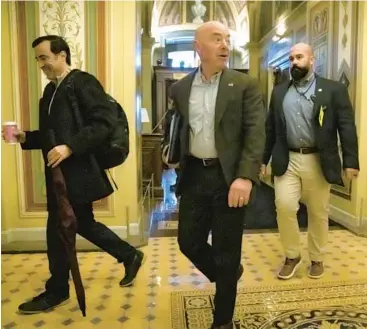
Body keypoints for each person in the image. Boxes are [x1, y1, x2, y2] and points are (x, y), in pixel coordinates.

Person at [1, 35, 145, 314]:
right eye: (37, 59)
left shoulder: (83, 82)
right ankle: (129, 254)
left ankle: (57, 290)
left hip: (79, 172)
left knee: (59, 230)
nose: (40, 64)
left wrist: (70, 147)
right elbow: (50, 136)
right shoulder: (49, 93)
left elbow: (104, 123)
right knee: (81, 223)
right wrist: (24, 137)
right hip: (59, 174)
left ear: (62, 55)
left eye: (44, 57)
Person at [162, 21, 266, 329]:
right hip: (195, 175)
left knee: (226, 250)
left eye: (227, 39)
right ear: (198, 46)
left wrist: (245, 176)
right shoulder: (179, 89)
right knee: (188, 241)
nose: (225, 45)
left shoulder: (244, 84)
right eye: (216, 39)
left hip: (230, 178)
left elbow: (255, 132)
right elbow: (180, 131)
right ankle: (228, 275)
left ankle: (222, 321)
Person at [260, 43, 359, 280]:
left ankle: (317, 258)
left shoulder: (333, 90)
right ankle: (292, 255)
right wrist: (263, 160)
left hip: (318, 159)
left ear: (312, 60)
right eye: (292, 58)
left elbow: (346, 126)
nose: (294, 62)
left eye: (299, 57)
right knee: (284, 206)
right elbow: (270, 129)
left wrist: (351, 161)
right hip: (288, 159)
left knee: (318, 212)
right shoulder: (280, 92)